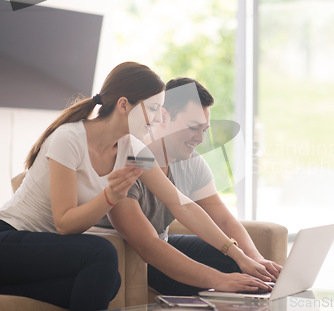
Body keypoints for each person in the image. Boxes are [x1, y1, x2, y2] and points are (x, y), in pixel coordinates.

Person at [0, 63, 270, 311]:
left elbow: (181, 205)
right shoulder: (68, 138)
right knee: (101, 255)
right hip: (10, 238)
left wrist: (238, 254)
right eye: (152, 109)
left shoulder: (133, 149)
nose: (156, 119)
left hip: (50, 249)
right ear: (123, 105)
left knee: (108, 282)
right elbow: (64, 224)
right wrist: (110, 196)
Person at [96, 77, 282, 296]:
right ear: (163, 116)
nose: (200, 138)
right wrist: (221, 280)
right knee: (222, 276)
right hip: (131, 253)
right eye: (194, 127)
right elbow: (147, 245)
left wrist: (253, 259)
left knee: (247, 272)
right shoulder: (129, 158)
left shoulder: (192, 163)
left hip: (163, 241)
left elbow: (223, 219)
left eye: (205, 129)